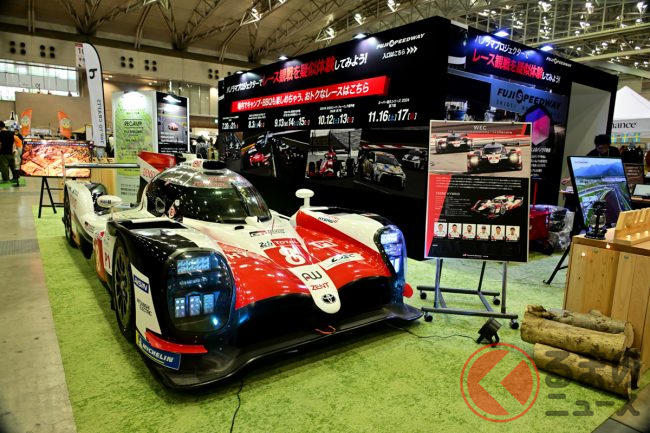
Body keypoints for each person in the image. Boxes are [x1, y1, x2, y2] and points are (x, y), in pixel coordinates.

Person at [0, 121, 22, 185]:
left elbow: (0, 144)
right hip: (11, 152)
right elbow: (17, 142)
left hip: (3, 153)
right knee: (13, 166)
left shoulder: (0, 134)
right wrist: (14, 149)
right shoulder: (11, 133)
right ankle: (15, 178)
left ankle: (5, 179)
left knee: (4, 167)